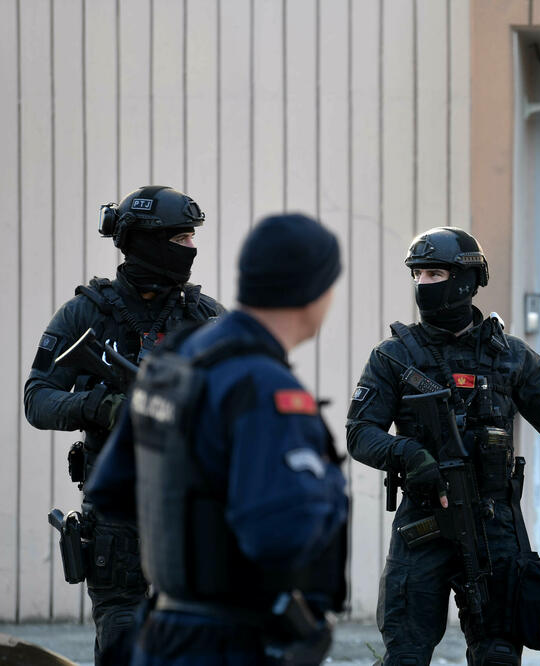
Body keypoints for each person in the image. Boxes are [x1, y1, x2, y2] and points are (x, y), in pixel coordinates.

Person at [346, 227, 540, 666]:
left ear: (467, 280)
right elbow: (360, 433)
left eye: (435, 273)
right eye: (418, 275)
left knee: (497, 652)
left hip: (493, 523)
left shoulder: (509, 357)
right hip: (424, 521)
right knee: (406, 653)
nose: (424, 285)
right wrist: (410, 455)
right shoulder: (394, 357)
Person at [85, 213, 349, 665]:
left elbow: (112, 491)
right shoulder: (265, 388)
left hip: (163, 632)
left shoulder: (176, 359)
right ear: (312, 292)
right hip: (232, 642)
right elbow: (280, 534)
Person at [23, 185, 225, 665]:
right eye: (180, 240)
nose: (191, 249)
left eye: (192, 238)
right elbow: (38, 398)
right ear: (146, 242)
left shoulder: (207, 318)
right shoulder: (87, 312)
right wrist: (101, 407)